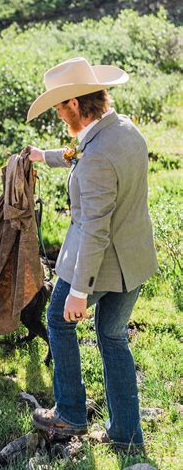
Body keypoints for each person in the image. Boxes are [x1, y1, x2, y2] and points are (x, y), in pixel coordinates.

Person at [27, 57, 158, 448]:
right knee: (113, 336)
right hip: (134, 260)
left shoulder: (97, 153)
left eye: (58, 106)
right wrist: (45, 156)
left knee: (58, 318)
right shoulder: (123, 129)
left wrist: (79, 292)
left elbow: (96, 229)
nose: (56, 113)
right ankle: (126, 435)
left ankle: (69, 414)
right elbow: (83, 153)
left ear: (73, 104)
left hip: (100, 262)